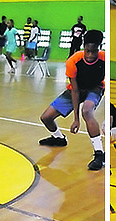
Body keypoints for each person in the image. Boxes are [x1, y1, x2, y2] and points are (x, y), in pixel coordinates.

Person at [38, 30, 105, 171]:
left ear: (99, 48)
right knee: (46, 117)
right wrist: (75, 119)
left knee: (87, 111)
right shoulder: (73, 61)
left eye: (94, 51)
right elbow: (75, 91)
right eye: (87, 51)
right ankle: (59, 138)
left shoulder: (104, 59)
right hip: (76, 89)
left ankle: (100, 154)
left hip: (95, 88)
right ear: (83, 47)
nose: (91, 55)